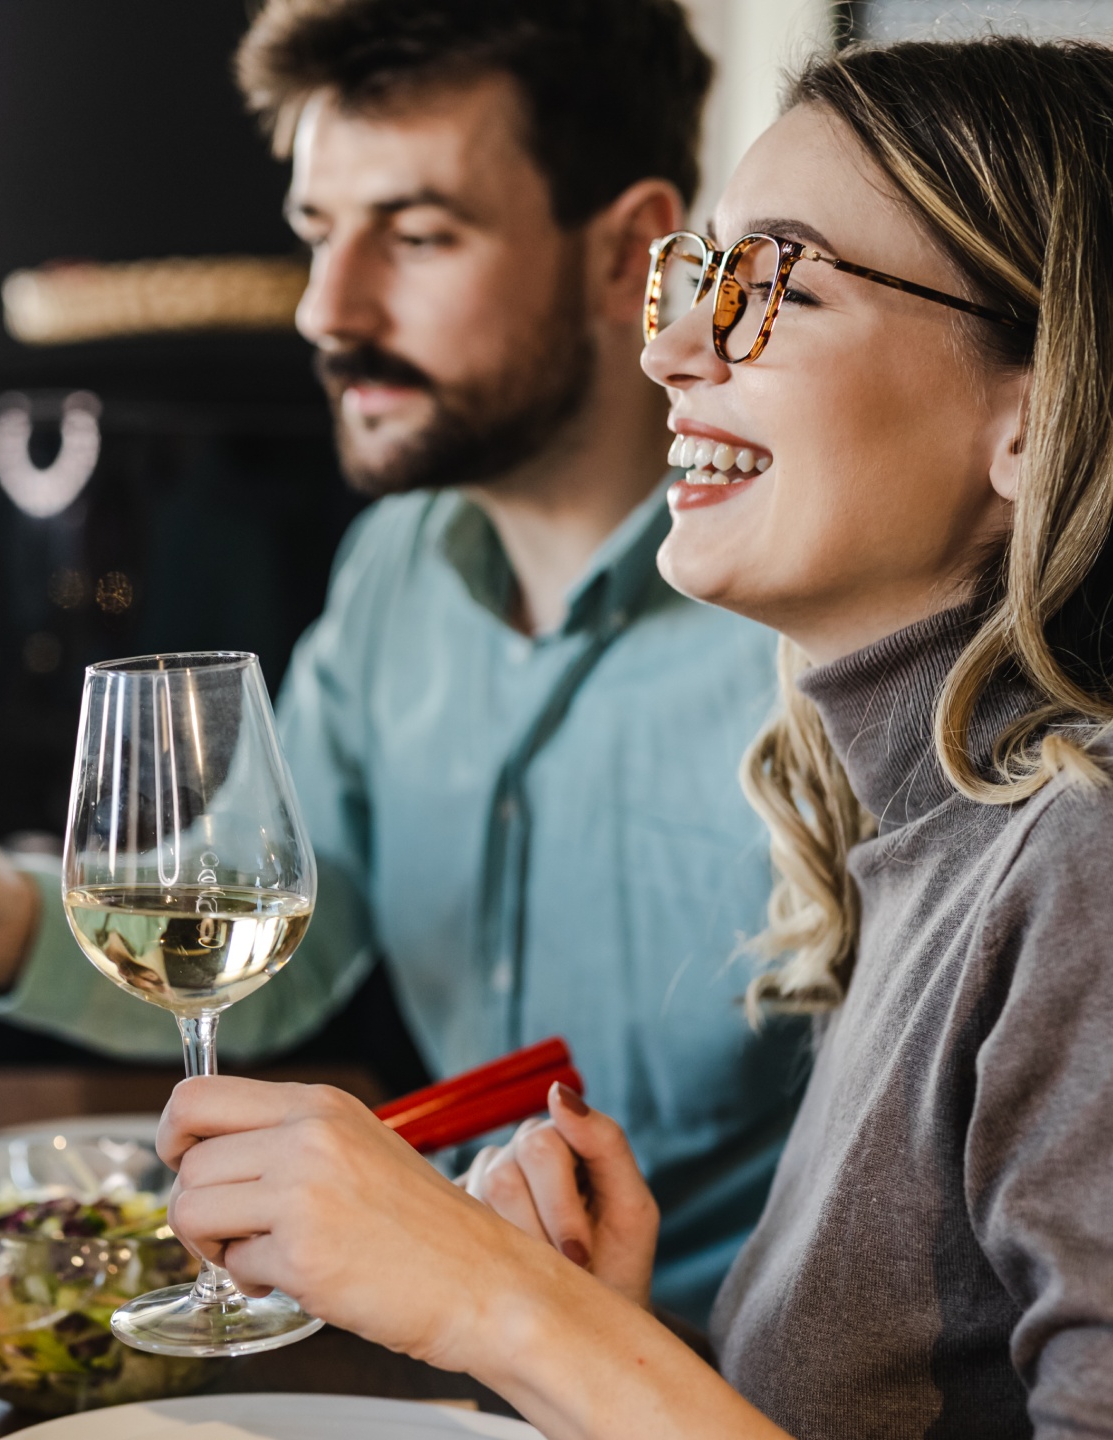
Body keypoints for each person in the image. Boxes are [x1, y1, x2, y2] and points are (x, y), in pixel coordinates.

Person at [154, 32, 1113, 1439]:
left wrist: (503, 1308)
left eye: (774, 283)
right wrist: (594, 1340)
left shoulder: (1080, 869)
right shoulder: (926, 834)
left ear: (1032, 418)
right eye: (703, 278)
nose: (668, 349)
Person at [0, 0, 796, 1325]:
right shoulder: (398, 566)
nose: (329, 310)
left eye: (421, 235)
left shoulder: (811, 630)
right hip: (441, 1359)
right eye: (319, 234)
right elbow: (286, 947)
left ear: (630, 256)